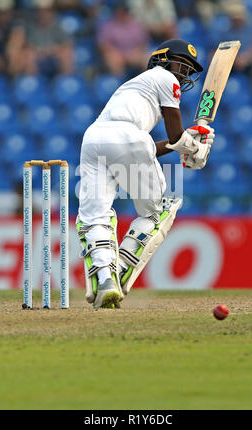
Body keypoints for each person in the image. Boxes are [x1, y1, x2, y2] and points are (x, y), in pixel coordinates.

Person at [76, 39, 215, 309]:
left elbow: (147, 146)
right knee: (158, 210)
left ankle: (105, 280)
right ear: (162, 60)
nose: (183, 74)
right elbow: (173, 136)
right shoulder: (164, 77)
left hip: (94, 139)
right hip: (127, 139)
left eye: (188, 70)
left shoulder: (135, 89)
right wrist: (195, 147)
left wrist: (187, 143)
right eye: (181, 65)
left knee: (94, 215)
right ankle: (120, 269)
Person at [97, 1, 149, 77]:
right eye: (118, 12)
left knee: (147, 60)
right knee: (112, 59)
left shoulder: (136, 25)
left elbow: (143, 43)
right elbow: (104, 44)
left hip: (134, 53)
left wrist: (134, 52)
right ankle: (119, 84)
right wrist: (117, 52)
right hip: (117, 53)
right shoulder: (109, 25)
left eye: (123, 12)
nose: (120, 14)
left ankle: (147, 85)